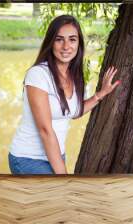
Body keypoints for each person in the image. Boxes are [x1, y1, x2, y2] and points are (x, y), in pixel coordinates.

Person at [8, 15, 121, 174]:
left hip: (56, 155)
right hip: (29, 159)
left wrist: (100, 95)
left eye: (72, 39)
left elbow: (73, 112)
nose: (66, 46)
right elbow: (45, 130)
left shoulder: (73, 76)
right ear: (51, 43)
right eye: (59, 39)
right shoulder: (38, 75)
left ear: (79, 44)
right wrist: (63, 175)